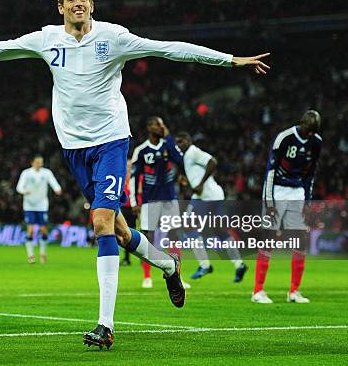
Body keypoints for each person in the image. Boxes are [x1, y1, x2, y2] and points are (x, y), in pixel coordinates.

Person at [0, 0, 270, 349]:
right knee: (119, 231)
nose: (78, 3)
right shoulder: (47, 39)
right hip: (74, 149)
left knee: (100, 223)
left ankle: (105, 325)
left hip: (112, 142)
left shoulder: (114, 37)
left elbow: (169, 49)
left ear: (92, 6)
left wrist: (230, 60)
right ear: (61, 8)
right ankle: (168, 265)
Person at [253, 110, 322, 304]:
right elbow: (270, 171)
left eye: (314, 131)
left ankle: (294, 291)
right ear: (302, 124)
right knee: (268, 239)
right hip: (278, 190)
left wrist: (307, 202)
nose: (310, 135)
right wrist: (269, 202)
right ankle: (257, 291)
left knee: (300, 241)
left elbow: (311, 174)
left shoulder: (316, 142)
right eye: (309, 130)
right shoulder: (284, 138)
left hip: (297, 191)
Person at [175, 132, 248, 282]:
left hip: (206, 197)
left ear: (189, 141)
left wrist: (200, 183)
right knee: (220, 231)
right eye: (177, 142)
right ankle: (239, 264)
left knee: (188, 226)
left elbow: (212, 161)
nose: (179, 145)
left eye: (181, 141)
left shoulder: (192, 151)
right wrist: (190, 183)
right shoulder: (187, 156)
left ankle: (205, 265)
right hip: (213, 195)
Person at [130, 117, 191, 290]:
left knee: (174, 237)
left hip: (170, 199)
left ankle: (177, 275)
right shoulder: (141, 150)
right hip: (149, 201)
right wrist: (135, 201)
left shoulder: (168, 146)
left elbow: (181, 160)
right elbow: (134, 177)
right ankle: (147, 276)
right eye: (157, 124)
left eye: (162, 124)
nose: (161, 127)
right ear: (149, 127)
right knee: (147, 238)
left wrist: (169, 137)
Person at [16, 155, 62, 264]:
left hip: (42, 205)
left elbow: (53, 182)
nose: (39, 164)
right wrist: (24, 191)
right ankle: (31, 255)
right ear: (32, 162)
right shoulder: (26, 173)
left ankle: (42, 253)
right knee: (30, 230)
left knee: (43, 230)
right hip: (29, 205)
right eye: (37, 162)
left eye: (41, 162)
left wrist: (57, 189)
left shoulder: (46, 173)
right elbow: (19, 187)